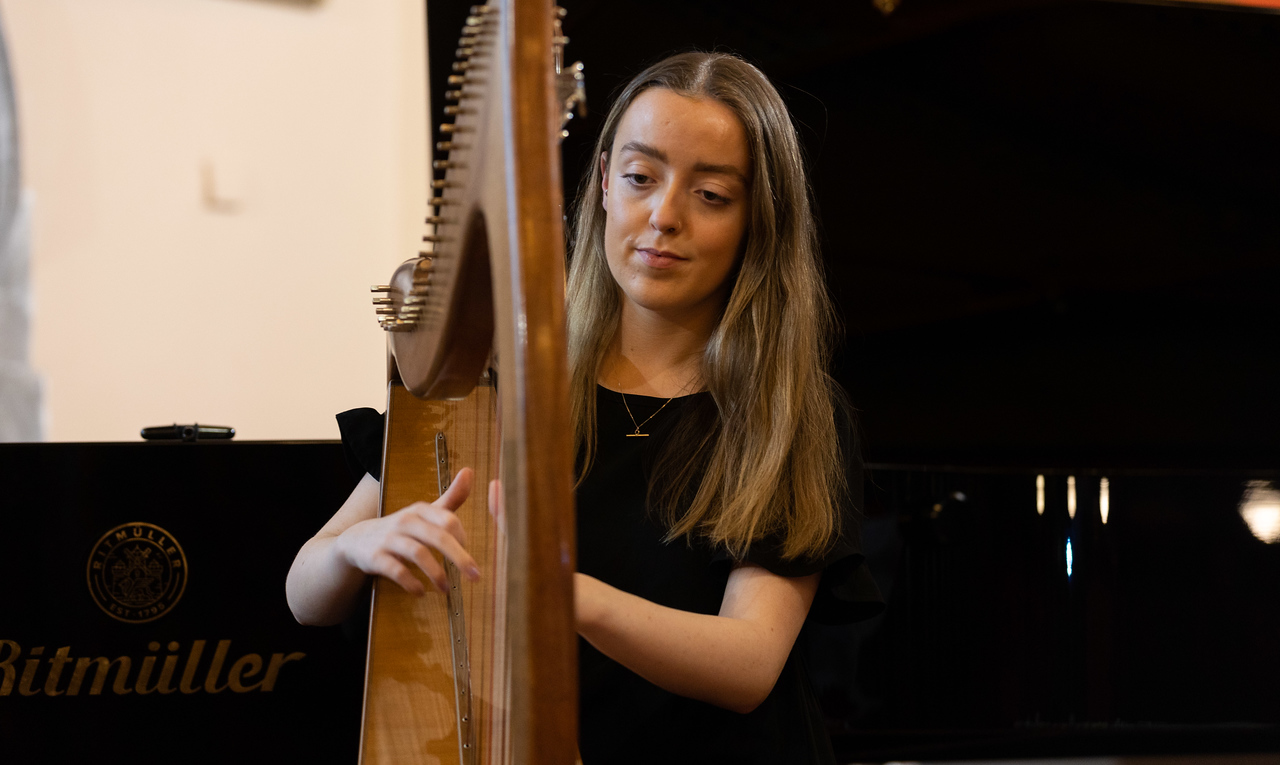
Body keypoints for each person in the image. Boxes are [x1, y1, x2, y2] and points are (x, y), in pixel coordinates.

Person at [286, 51, 883, 764]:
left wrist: (567, 596)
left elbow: (749, 663)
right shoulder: (494, 384)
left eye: (712, 195)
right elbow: (305, 590)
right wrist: (358, 546)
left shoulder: (787, 412)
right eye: (640, 177)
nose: (663, 216)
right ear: (604, 180)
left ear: (760, 217)